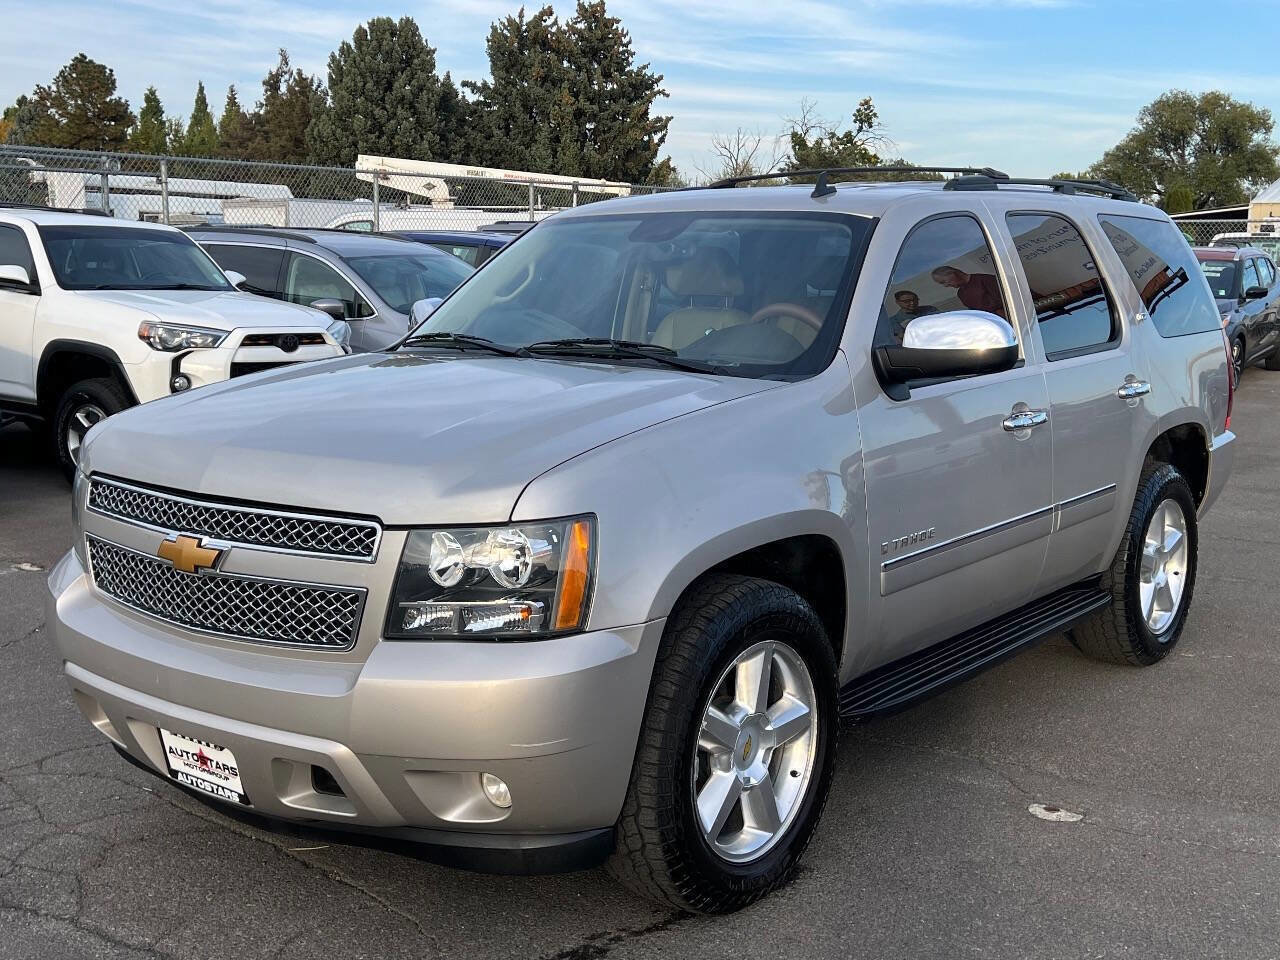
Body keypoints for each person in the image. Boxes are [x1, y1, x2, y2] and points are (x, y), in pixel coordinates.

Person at [931, 265, 1006, 318]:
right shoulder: (961, 294)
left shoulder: (984, 280)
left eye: (944, 281)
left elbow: (1007, 300)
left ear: (953, 273)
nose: (946, 285)